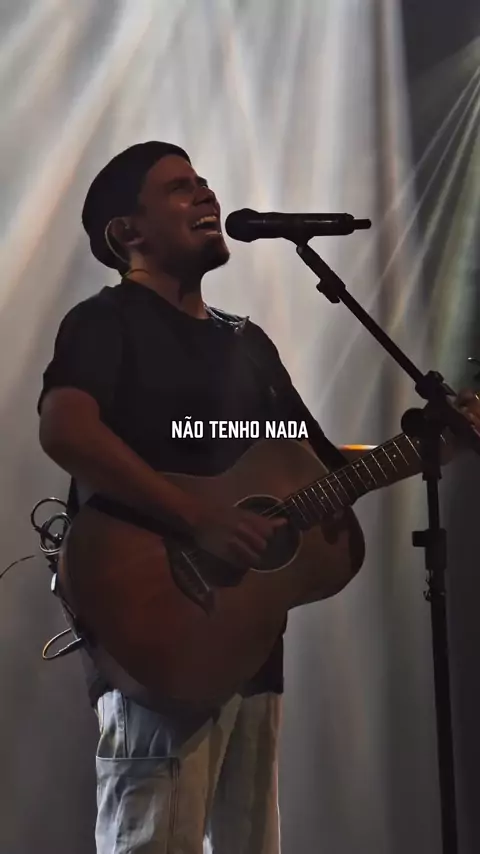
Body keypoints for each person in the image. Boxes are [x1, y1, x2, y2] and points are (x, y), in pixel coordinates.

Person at [37, 141, 480, 854]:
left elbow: (320, 465)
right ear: (127, 232)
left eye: (203, 182)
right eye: (179, 188)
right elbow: (65, 428)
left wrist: (430, 448)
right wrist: (197, 518)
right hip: (157, 630)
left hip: (247, 645)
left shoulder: (248, 345)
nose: (206, 194)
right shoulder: (105, 322)